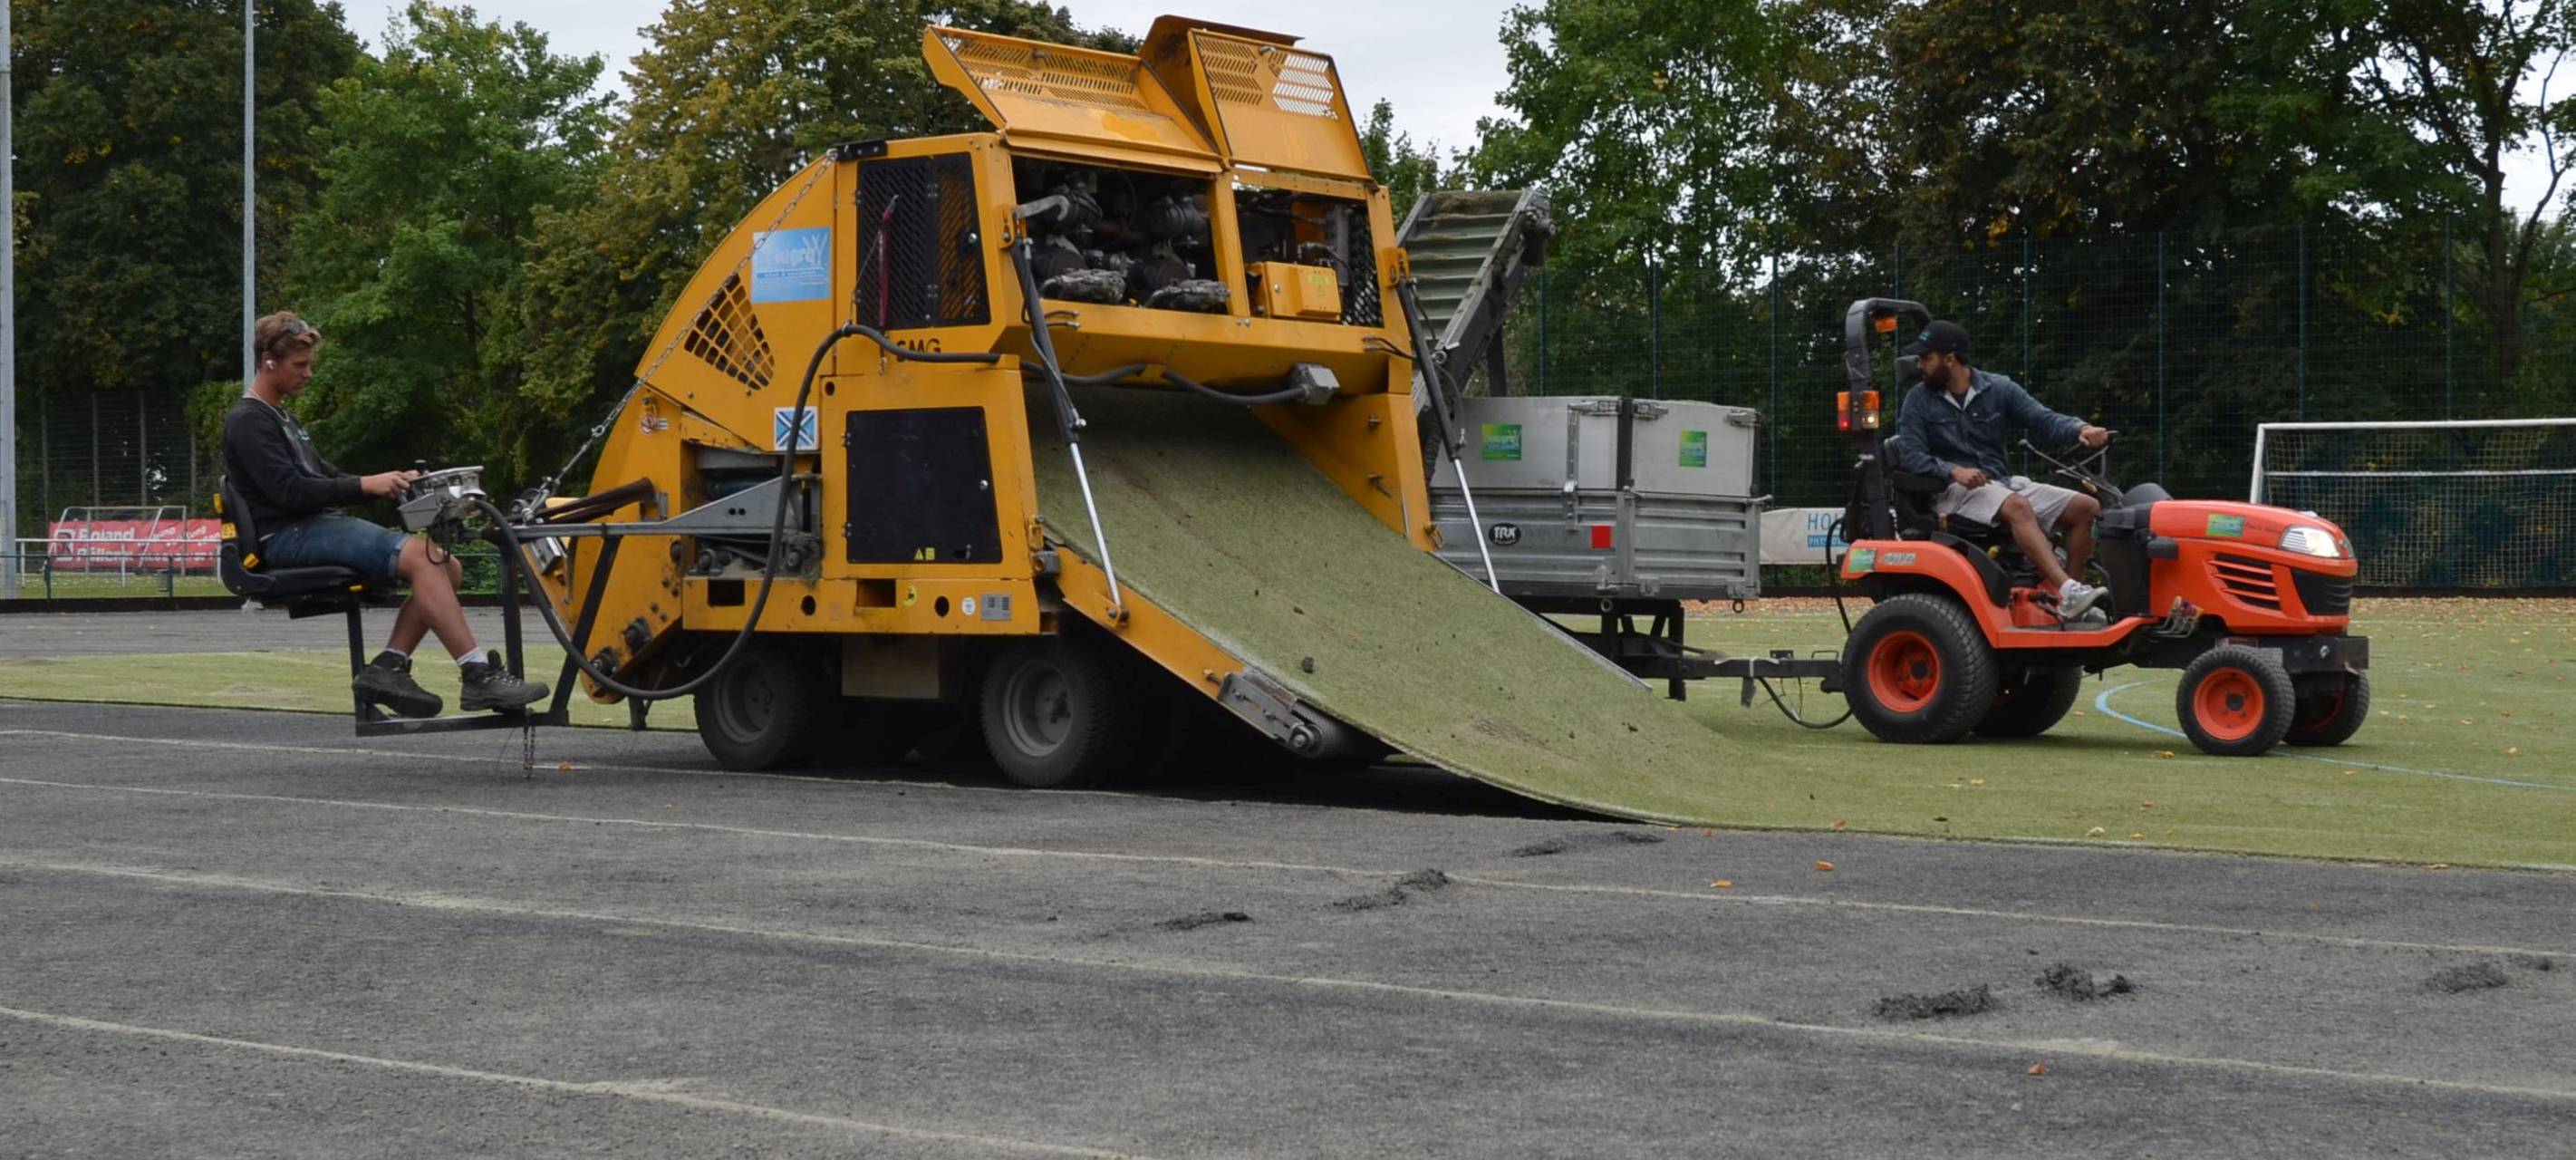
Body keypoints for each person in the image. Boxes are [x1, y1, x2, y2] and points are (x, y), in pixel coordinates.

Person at [222, 311, 547, 717]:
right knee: (422, 557)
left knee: (448, 567)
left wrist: (394, 479)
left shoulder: (282, 417)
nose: (308, 374)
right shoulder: (248, 420)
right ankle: (477, 675)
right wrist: (365, 485)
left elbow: (326, 476)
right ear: (269, 360)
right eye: (299, 366)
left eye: (309, 365)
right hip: (286, 535)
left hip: (312, 525)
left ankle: (388, 667)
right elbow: (289, 493)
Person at [1891, 319, 2110, 617]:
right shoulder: (1917, 400)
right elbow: (1911, 456)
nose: (1920, 365)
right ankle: (2068, 589)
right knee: (2017, 506)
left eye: (1926, 358)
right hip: (1950, 491)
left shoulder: (1999, 388)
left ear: (1950, 359)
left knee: (2087, 507)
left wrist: (2080, 428)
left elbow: (2042, 419)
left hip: (2000, 483)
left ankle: (2072, 601)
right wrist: (1953, 470)